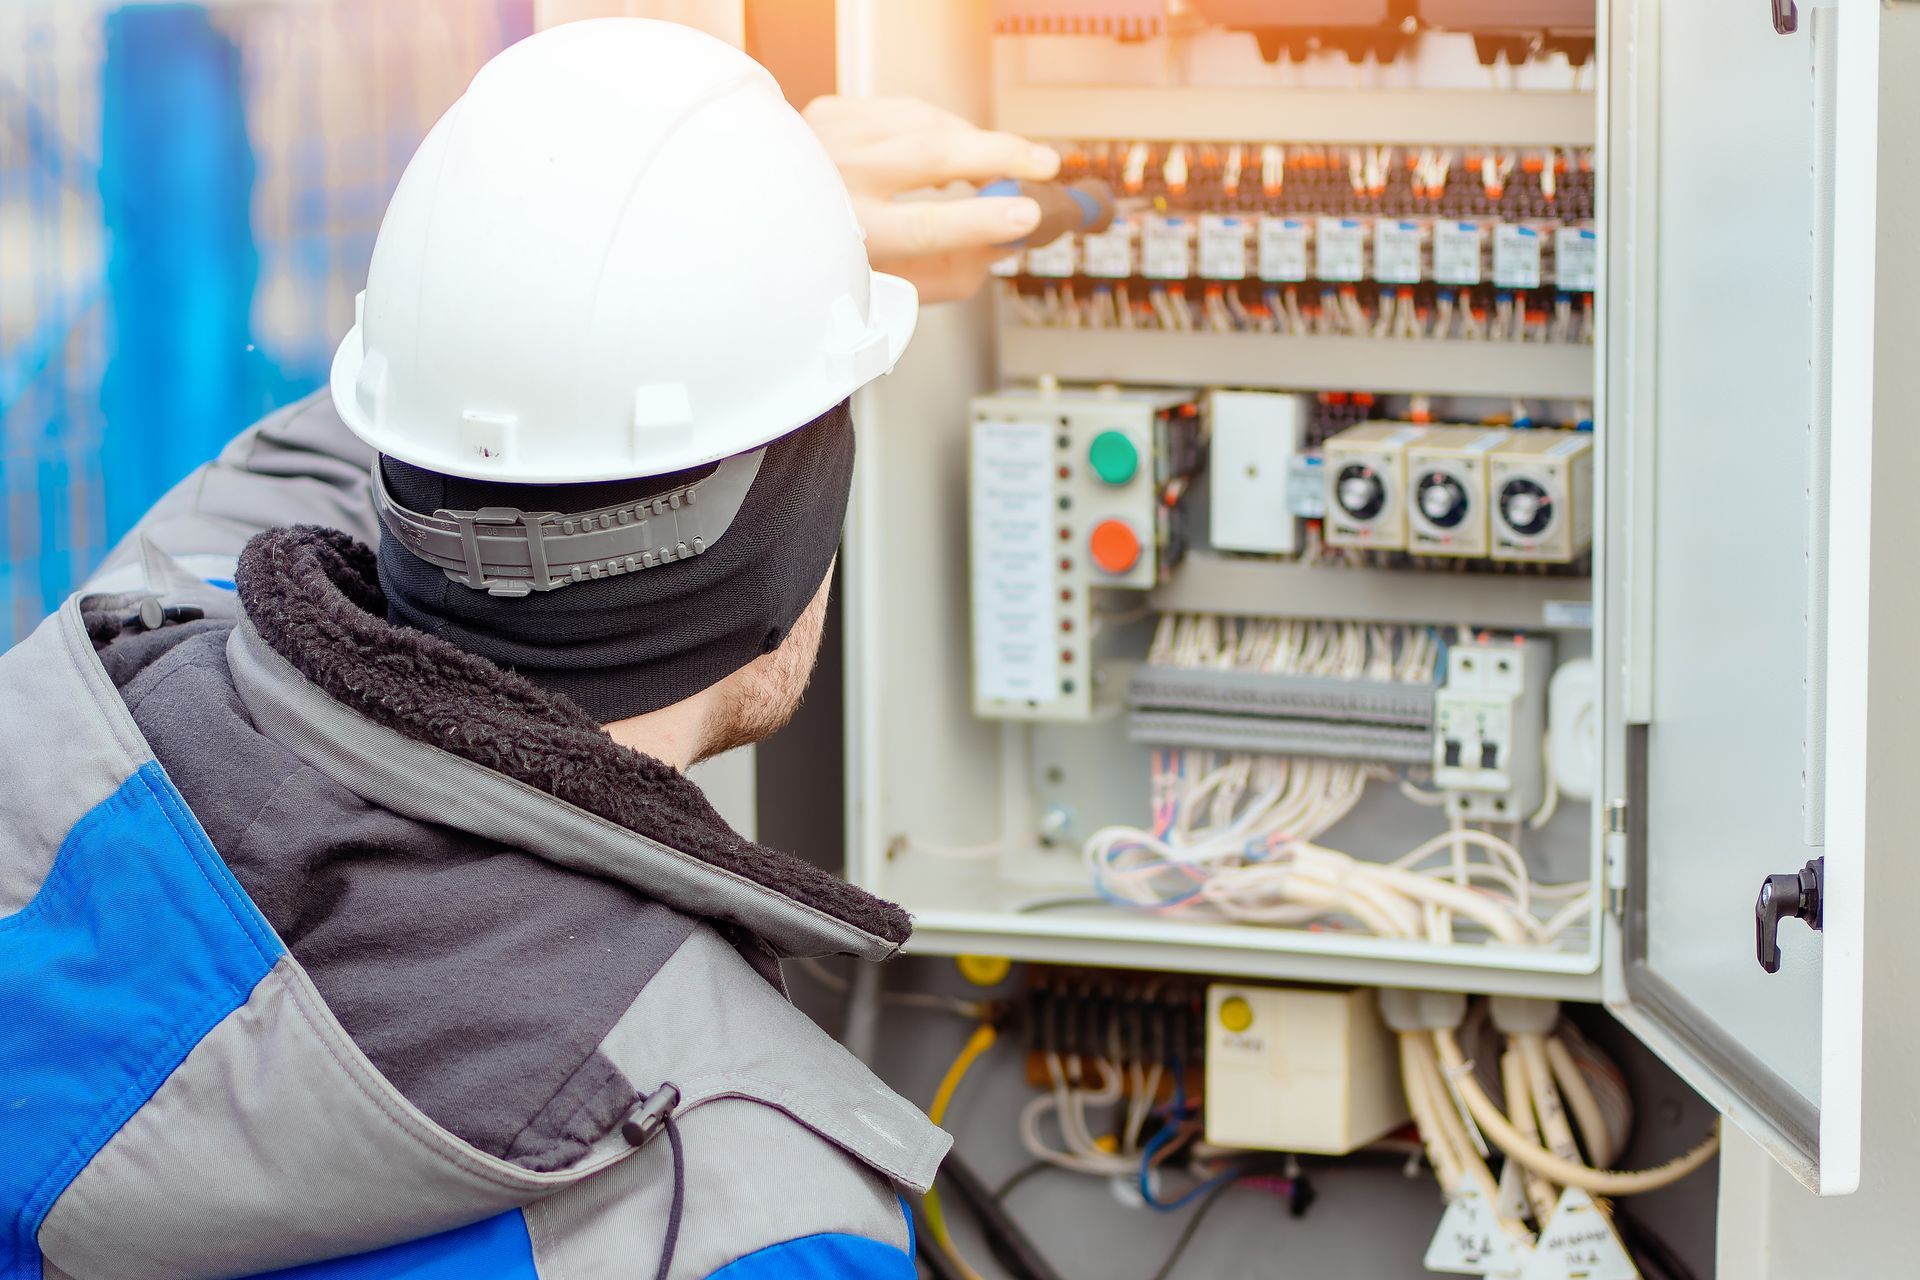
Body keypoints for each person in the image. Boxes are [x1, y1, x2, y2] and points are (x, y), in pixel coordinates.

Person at [0, 20, 1050, 1279]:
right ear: (799, 515)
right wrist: (755, 255)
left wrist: (727, 249)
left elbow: (322, 464)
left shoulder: (93, 695)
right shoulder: (750, 1206)